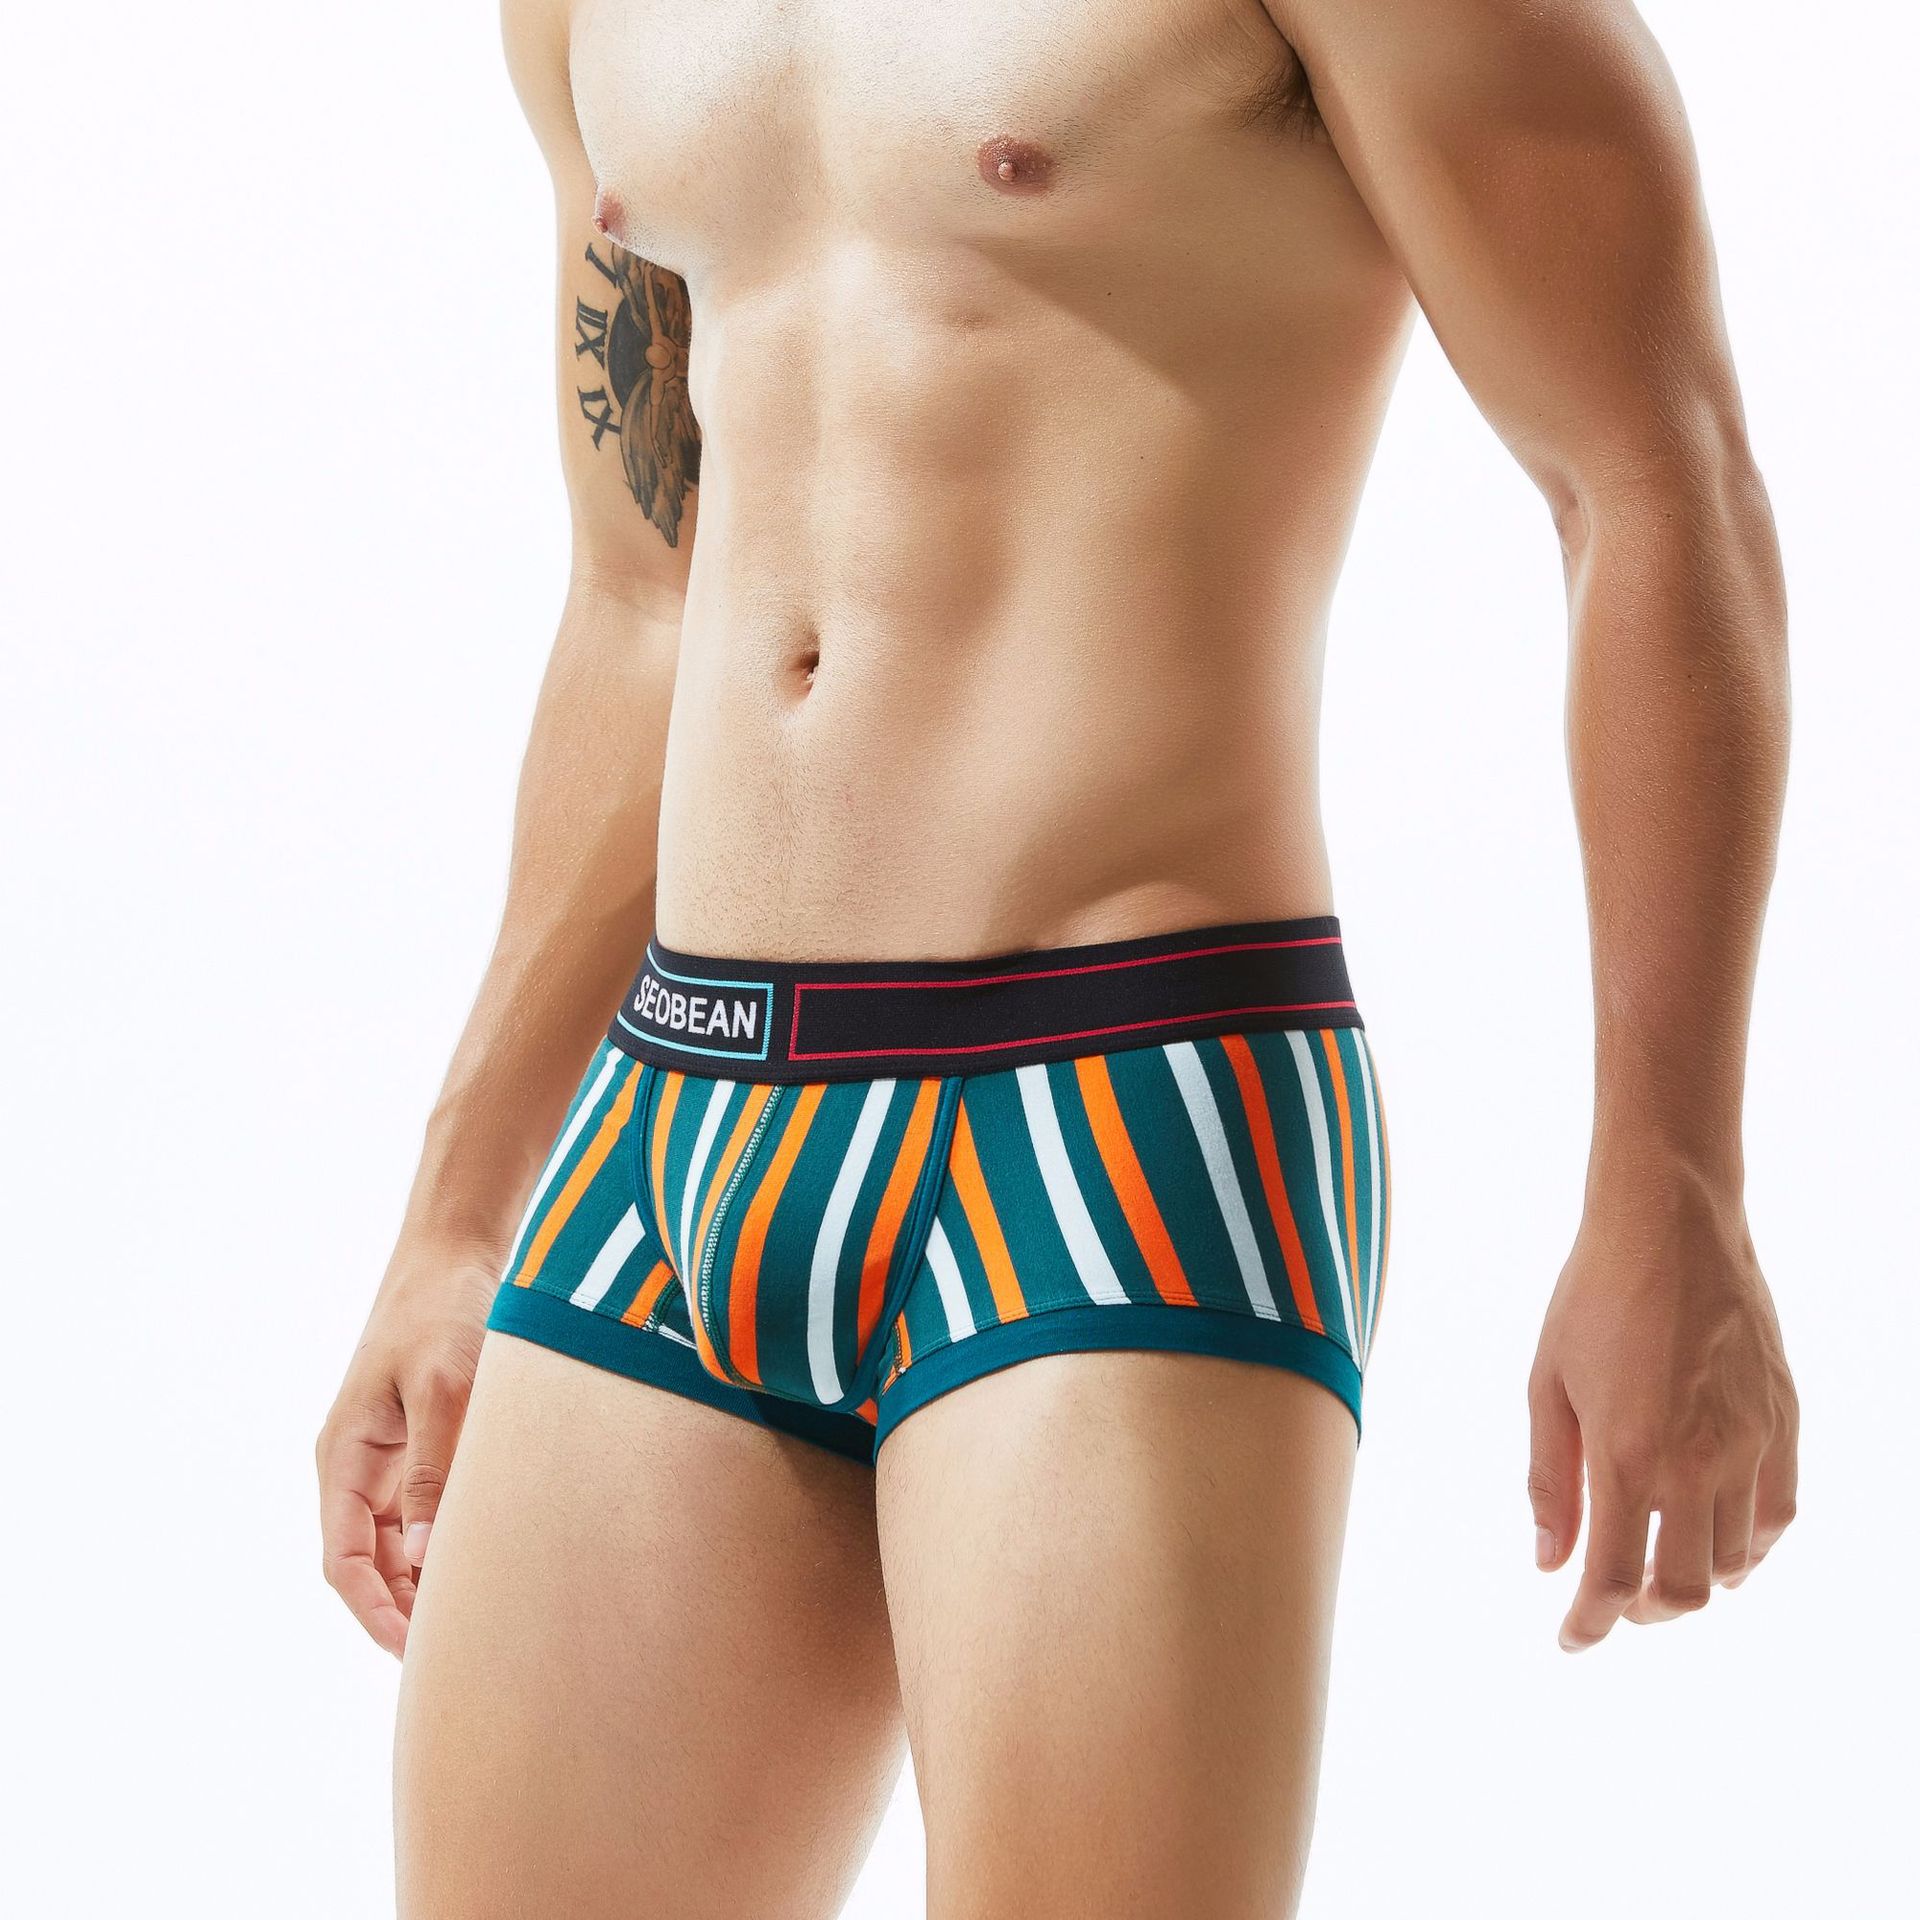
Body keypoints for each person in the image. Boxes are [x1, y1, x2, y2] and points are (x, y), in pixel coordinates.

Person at [317, 0, 1800, 1911]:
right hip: (675, 1119)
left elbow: (1653, 483)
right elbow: (641, 590)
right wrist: (455, 1212)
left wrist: (1675, 1186)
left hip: (1112, 1103)